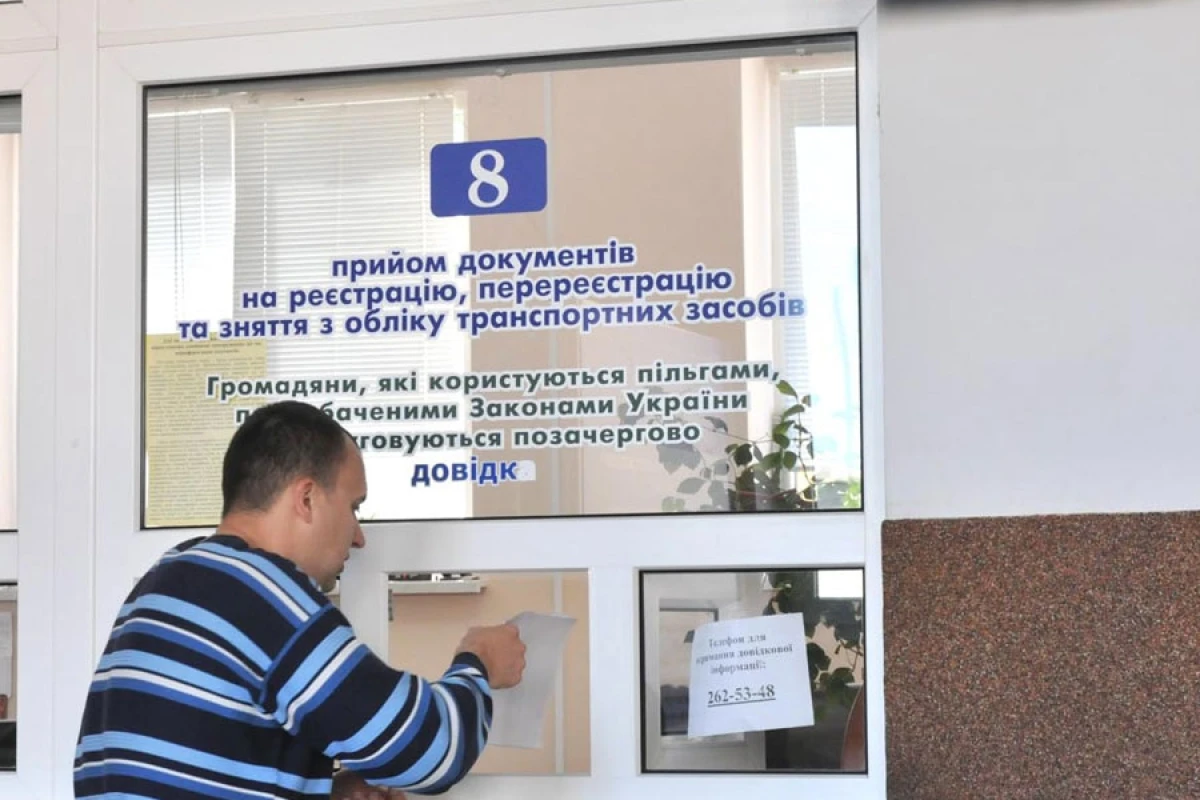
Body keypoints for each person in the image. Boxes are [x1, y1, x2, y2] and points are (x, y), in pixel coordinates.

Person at [74, 400, 526, 799]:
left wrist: (320, 789)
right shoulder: (263, 596)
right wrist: (479, 663)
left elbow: (191, 764)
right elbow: (428, 751)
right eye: (354, 506)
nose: (360, 537)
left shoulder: (168, 580)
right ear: (307, 498)